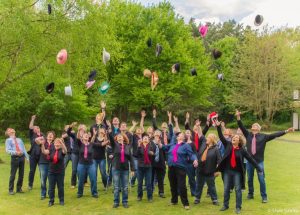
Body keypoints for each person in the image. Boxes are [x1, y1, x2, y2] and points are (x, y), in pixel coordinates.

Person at [236, 110, 294, 203]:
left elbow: (275, 134)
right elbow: (241, 126)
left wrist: (286, 131)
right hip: (250, 162)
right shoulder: (248, 135)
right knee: (250, 179)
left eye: (256, 125)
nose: (254, 126)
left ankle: (264, 196)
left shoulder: (264, 137)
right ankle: (250, 194)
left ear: (259, 129)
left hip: (259, 162)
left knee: (261, 179)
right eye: (253, 125)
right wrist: (238, 117)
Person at [216, 119, 263, 214]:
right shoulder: (228, 145)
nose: (234, 138)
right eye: (234, 137)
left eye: (236, 137)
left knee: (238, 190)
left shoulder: (242, 150)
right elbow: (221, 137)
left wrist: (258, 168)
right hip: (227, 171)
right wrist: (218, 127)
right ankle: (225, 205)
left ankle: (238, 207)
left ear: (239, 141)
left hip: (237, 172)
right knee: (226, 189)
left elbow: (250, 159)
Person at [160, 114, 198, 210]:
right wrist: (159, 143)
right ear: (177, 138)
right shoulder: (172, 145)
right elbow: (164, 147)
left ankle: (185, 203)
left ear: (184, 137)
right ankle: (174, 200)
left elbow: (191, 154)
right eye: (178, 135)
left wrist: (195, 159)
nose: (179, 135)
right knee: (173, 185)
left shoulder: (186, 146)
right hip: (171, 167)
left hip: (180, 168)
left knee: (182, 186)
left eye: (181, 134)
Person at [67, 123, 98, 198]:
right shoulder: (79, 141)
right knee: (77, 173)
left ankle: (94, 193)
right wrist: (71, 127)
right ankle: (79, 192)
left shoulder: (89, 142)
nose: (83, 130)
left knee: (93, 178)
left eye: (84, 129)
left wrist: (94, 134)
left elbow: (93, 140)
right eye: (81, 128)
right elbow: (75, 137)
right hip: (77, 156)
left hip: (90, 163)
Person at [194, 133, 221, 206]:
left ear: (212, 140)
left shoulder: (216, 149)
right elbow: (199, 154)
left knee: (211, 186)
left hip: (209, 170)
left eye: (208, 138)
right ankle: (197, 198)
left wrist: (217, 170)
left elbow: (219, 160)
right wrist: (196, 160)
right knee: (199, 185)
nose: (206, 139)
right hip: (200, 169)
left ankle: (214, 199)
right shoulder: (203, 145)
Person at [109, 133, 135, 208]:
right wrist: (110, 131)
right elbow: (111, 138)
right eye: (118, 137)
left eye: (121, 137)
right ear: (116, 139)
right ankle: (116, 202)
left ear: (124, 138)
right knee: (116, 187)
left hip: (125, 169)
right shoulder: (115, 145)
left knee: (125, 187)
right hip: (116, 168)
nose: (120, 138)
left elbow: (131, 159)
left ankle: (125, 202)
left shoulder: (127, 147)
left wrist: (132, 169)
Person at [41, 138, 67, 206]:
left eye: (59, 143)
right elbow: (44, 151)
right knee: (51, 187)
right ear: (54, 143)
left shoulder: (62, 150)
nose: (57, 144)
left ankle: (61, 200)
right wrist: (42, 144)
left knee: (60, 187)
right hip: (51, 171)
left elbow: (66, 151)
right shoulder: (51, 149)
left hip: (60, 172)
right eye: (56, 142)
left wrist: (62, 143)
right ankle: (51, 201)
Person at [5, 128, 29, 195]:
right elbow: (8, 150)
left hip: (22, 158)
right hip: (15, 158)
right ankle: (11, 190)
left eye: (12, 129)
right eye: (10, 130)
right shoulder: (8, 140)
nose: (12, 130)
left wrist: (27, 158)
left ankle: (19, 188)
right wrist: (16, 152)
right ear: (8, 133)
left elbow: (24, 149)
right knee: (13, 174)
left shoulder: (19, 139)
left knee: (21, 174)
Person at [36, 131, 55, 200]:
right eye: (49, 135)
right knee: (43, 180)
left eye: (52, 135)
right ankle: (43, 194)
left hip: (51, 164)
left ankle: (50, 193)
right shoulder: (43, 142)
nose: (50, 136)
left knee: (51, 180)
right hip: (43, 163)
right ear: (46, 136)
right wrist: (42, 138)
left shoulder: (54, 144)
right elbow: (36, 140)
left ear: (53, 137)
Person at [137, 134, 155, 202]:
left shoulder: (151, 146)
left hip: (148, 167)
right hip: (140, 167)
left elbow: (153, 154)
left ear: (149, 140)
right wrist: (138, 146)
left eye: (147, 138)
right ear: (142, 139)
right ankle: (139, 196)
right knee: (140, 183)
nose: (145, 139)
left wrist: (152, 153)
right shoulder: (139, 146)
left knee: (148, 183)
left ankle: (149, 197)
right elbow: (136, 154)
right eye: (144, 138)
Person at [28, 115, 44, 190]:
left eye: (38, 127)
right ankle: (30, 185)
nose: (36, 129)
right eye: (35, 128)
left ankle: (43, 184)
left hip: (41, 155)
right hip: (33, 155)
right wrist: (32, 119)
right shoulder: (32, 135)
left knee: (42, 170)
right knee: (32, 170)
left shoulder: (43, 135)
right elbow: (30, 127)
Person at [151, 130, 166, 198]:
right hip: (152, 162)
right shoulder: (150, 142)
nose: (157, 133)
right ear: (153, 134)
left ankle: (161, 192)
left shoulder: (162, 142)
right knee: (151, 178)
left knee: (160, 179)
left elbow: (165, 151)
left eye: (158, 133)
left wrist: (160, 144)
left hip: (160, 162)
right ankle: (150, 191)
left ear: (160, 135)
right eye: (156, 132)